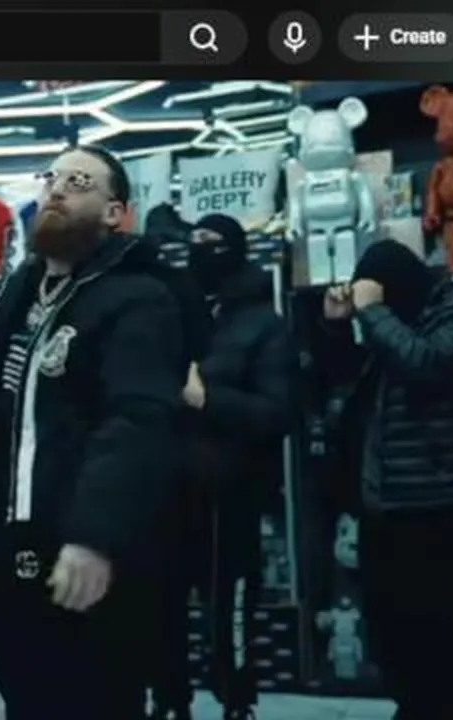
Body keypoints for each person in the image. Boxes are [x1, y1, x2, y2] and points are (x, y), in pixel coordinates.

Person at [0, 145, 186, 720]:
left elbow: (135, 420)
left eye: (78, 182)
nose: (56, 189)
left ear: (114, 212)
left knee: (98, 702)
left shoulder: (137, 298)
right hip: (12, 555)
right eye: (52, 178)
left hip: (87, 553)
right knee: (27, 699)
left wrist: (94, 535)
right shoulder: (15, 296)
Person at [321, 239, 453, 720]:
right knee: (391, 637)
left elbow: (427, 366)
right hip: (385, 506)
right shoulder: (395, 323)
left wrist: (374, 313)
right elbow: (349, 383)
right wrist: (337, 327)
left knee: (436, 640)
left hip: (435, 504)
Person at [150, 214, 295, 720]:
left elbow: (277, 413)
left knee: (230, 609)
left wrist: (207, 400)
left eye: (211, 242)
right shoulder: (174, 315)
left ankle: (236, 701)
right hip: (169, 488)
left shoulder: (263, 325)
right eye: (195, 241)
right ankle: (170, 701)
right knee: (162, 606)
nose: (201, 250)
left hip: (231, 494)